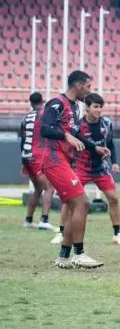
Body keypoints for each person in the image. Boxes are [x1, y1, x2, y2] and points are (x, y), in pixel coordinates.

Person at [38, 70, 106, 269]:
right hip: (53, 160)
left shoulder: (75, 107)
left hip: (63, 161)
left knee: (77, 206)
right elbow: (45, 128)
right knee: (83, 203)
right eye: (88, 86)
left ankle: (63, 257)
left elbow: (76, 135)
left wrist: (95, 148)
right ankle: (79, 254)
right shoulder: (56, 103)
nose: (90, 90)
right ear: (78, 85)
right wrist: (66, 136)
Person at [73, 93, 120, 246]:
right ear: (87, 108)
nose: (99, 110)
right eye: (95, 107)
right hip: (81, 167)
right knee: (70, 200)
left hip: (101, 169)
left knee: (114, 199)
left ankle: (117, 234)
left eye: (100, 107)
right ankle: (62, 232)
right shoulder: (78, 125)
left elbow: (110, 143)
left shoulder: (106, 123)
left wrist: (114, 162)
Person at [19, 91, 55, 231]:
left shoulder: (25, 118)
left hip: (27, 157)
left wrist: (23, 161)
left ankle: (28, 220)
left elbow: (23, 140)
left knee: (38, 189)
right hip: (37, 156)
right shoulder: (44, 115)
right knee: (49, 188)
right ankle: (44, 220)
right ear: (42, 101)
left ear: (31, 103)